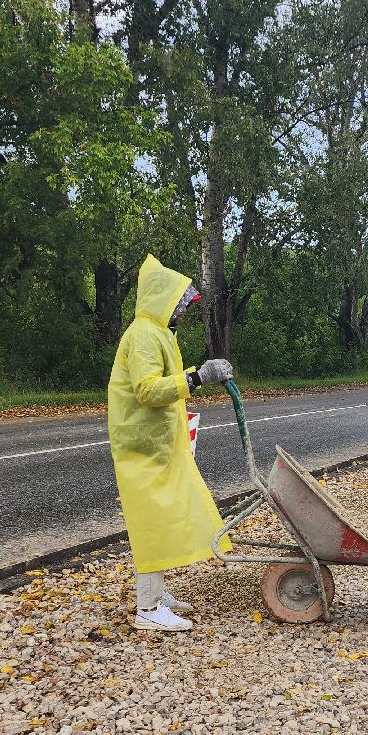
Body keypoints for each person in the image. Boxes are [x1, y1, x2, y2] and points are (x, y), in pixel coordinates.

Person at [108, 255, 234, 632]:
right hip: (142, 448)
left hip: (156, 446)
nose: (182, 312)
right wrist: (197, 377)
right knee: (153, 524)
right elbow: (147, 390)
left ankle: (155, 594)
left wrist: (196, 376)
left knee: (162, 520)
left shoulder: (157, 332)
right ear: (163, 300)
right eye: (180, 304)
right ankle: (147, 609)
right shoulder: (144, 334)